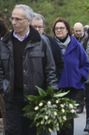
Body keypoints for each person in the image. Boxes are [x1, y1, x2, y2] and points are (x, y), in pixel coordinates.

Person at [0, 4, 57, 135]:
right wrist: (3, 86)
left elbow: (50, 69)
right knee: (13, 132)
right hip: (12, 99)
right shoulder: (4, 42)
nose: (14, 22)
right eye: (12, 18)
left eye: (18, 19)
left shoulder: (41, 42)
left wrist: (51, 93)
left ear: (28, 21)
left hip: (36, 100)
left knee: (35, 132)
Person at [52, 17, 89, 135]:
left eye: (62, 28)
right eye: (57, 28)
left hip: (71, 88)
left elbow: (86, 64)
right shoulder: (50, 44)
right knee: (58, 117)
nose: (59, 30)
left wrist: (79, 78)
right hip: (55, 87)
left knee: (68, 118)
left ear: (68, 30)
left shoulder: (76, 45)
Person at [72, 22, 89, 113]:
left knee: (84, 86)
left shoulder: (87, 39)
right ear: (73, 31)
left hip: (85, 65)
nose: (78, 33)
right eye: (76, 31)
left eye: (80, 31)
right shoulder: (71, 39)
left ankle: (83, 104)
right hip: (75, 66)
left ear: (83, 30)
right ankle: (79, 105)